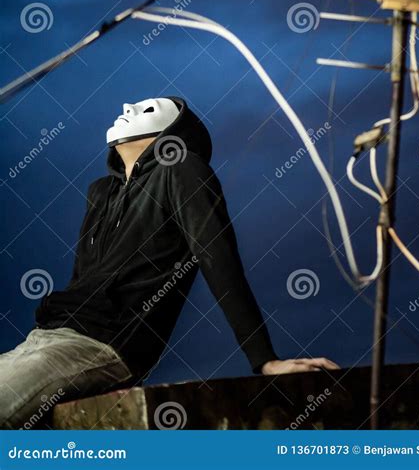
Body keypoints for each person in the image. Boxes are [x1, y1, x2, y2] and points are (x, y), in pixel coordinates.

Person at [0, 97, 339, 429]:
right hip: (45, 336)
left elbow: (217, 257)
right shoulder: (101, 192)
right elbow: (83, 279)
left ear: (172, 136)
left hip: (100, 344)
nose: (126, 107)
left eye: (149, 109)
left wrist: (264, 360)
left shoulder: (181, 169)